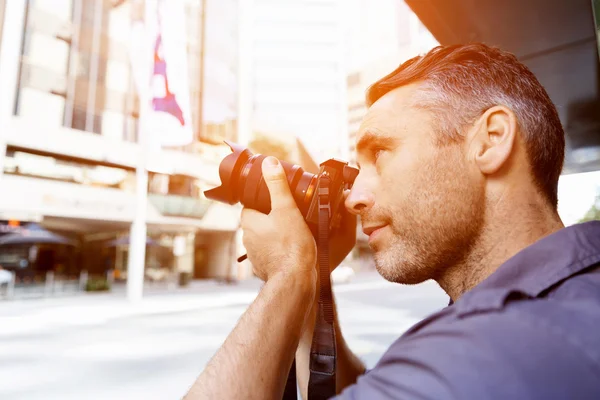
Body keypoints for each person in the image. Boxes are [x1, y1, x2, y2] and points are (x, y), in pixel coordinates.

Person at [184, 43, 600, 399]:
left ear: (490, 141)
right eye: (355, 171)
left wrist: (287, 274)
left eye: (380, 153)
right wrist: (314, 279)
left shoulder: (497, 345)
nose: (355, 198)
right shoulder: (562, 301)